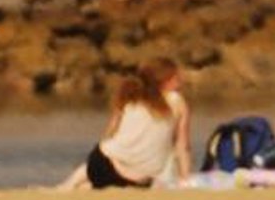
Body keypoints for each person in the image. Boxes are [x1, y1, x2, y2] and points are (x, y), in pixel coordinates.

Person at [59, 61, 192, 191]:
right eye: (177, 79)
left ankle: (69, 185)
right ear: (166, 81)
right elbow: (182, 145)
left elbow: (109, 133)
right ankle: (76, 185)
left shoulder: (130, 96)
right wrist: (186, 180)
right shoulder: (177, 101)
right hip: (141, 180)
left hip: (103, 166)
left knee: (105, 155)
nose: (181, 83)